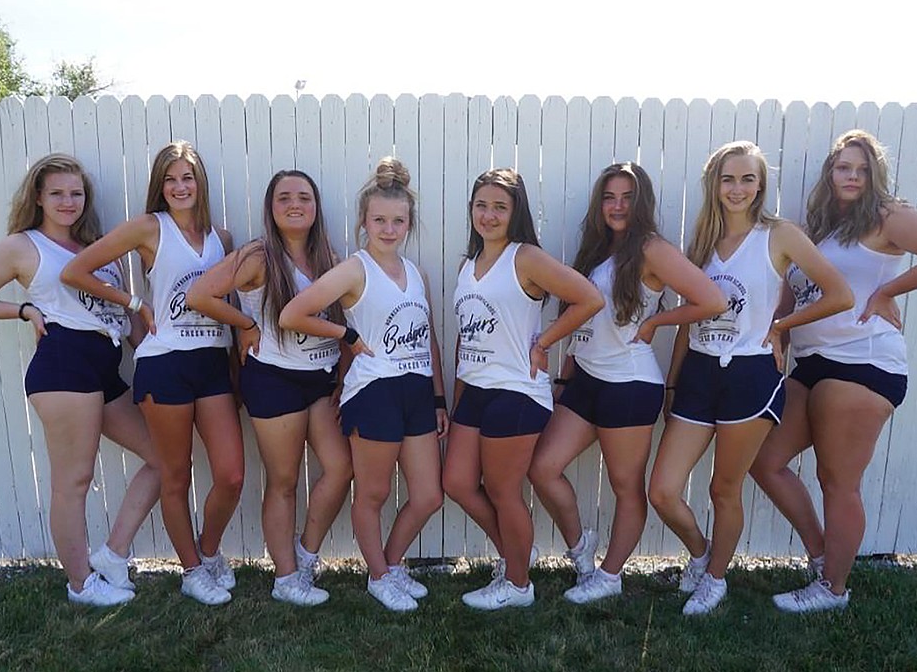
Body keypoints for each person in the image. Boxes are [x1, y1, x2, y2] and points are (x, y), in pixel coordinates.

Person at [749, 129, 917, 613]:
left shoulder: (885, 215)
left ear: (874, 176)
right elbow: (796, 296)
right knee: (764, 461)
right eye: (843, 168)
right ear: (830, 173)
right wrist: (778, 339)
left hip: (863, 362)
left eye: (861, 169)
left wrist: (889, 292)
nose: (851, 176)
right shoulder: (822, 229)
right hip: (813, 365)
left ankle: (833, 589)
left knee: (838, 480)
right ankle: (821, 557)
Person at [646, 140, 854, 616]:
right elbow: (689, 316)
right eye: (727, 179)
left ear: (761, 185)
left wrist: (781, 327)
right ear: (714, 185)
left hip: (750, 376)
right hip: (698, 373)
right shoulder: (701, 241)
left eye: (747, 179)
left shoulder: (779, 235)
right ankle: (701, 555)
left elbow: (839, 294)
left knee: (724, 488)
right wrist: (674, 381)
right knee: (662, 488)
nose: (736, 188)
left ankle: (716, 579)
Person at [0, 153, 161, 607]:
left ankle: (112, 555)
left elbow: (119, 317)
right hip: (63, 366)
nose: (68, 201)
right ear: (38, 197)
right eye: (57, 193)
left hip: (104, 367)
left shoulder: (98, 247)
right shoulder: (22, 245)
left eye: (76, 193)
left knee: (164, 460)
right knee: (74, 479)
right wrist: (24, 310)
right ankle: (80, 584)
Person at [528, 162, 728, 604]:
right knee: (542, 468)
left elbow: (713, 299)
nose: (617, 206)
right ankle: (582, 549)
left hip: (630, 384)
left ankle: (614, 574)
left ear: (642, 204)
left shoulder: (651, 248)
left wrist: (658, 319)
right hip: (587, 380)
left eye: (626, 197)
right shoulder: (597, 249)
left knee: (624, 486)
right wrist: (566, 375)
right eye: (609, 197)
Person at [60, 139, 245, 606]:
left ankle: (207, 553)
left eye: (187, 177)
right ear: (159, 187)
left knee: (231, 474)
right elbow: (77, 271)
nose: (180, 187)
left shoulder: (222, 239)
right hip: (164, 364)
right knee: (176, 475)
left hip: (212, 362)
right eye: (170, 179)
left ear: (200, 183)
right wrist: (135, 304)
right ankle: (190, 572)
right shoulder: (148, 228)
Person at [278, 157, 447, 613]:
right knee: (371, 494)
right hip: (373, 392)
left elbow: (427, 334)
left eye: (398, 221)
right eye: (379, 220)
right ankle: (378, 576)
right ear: (364, 222)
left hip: (415, 391)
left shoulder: (416, 274)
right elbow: (293, 314)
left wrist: (437, 397)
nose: (389, 229)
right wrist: (346, 336)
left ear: (409, 222)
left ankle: (390, 564)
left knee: (429, 494)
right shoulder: (355, 270)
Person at [185, 169, 352, 607]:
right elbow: (199, 295)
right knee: (283, 481)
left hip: (322, 379)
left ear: (316, 208)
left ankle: (305, 553)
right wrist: (245, 324)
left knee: (339, 469)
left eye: (304, 197)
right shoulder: (258, 255)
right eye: (284, 198)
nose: (295, 204)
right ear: (271, 208)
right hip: (274, 379)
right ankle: (285, 577)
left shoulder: (329, 258)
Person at [442, 168, 605, 610]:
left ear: (515, 213)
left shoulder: (525, 257)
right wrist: (457, 395)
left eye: (500, 207)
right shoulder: (467, 265)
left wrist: (546, 342)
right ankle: (517, 553)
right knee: (456, 481)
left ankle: (518, 585)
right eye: (481, 205)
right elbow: (466, 333)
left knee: (502, 490)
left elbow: (590, 298)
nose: (489, 215)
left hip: (515, 391)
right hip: (474, 390)